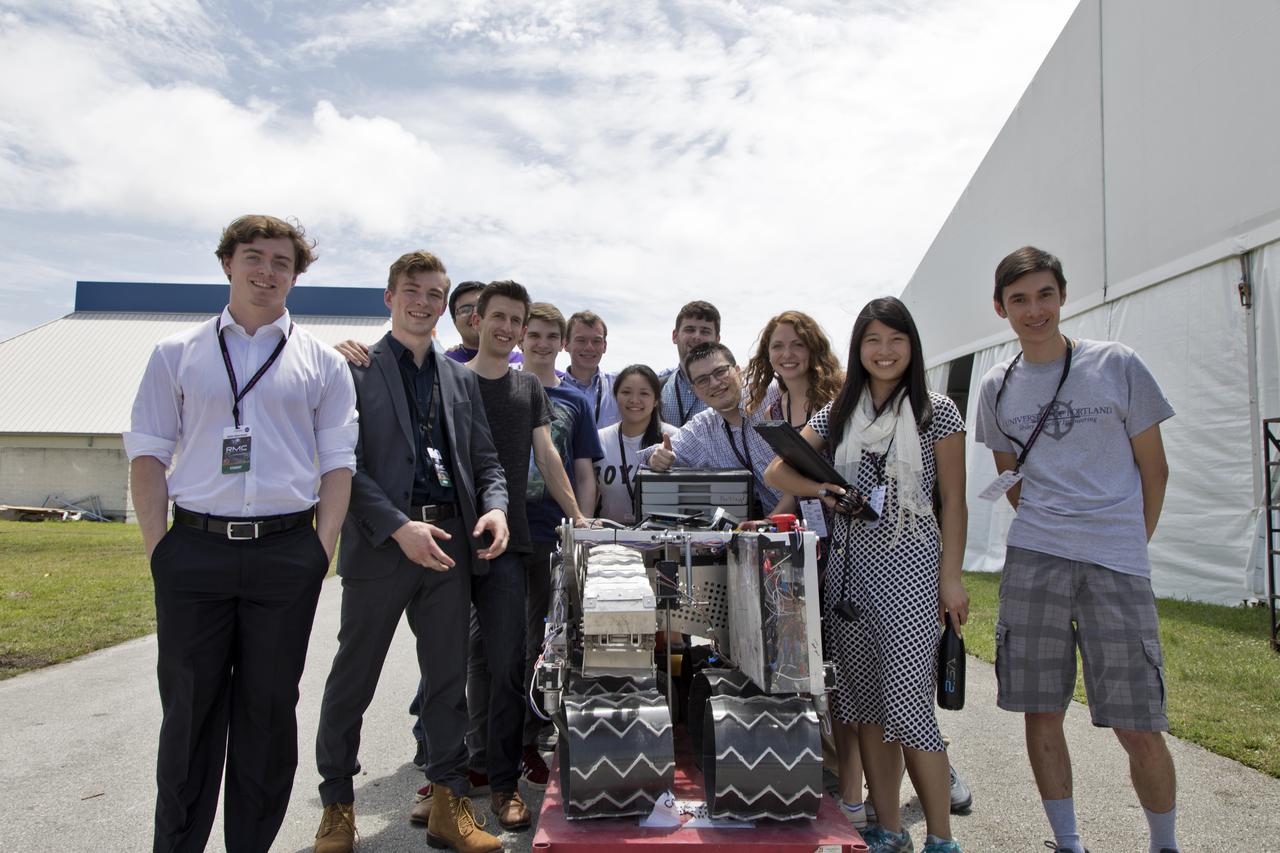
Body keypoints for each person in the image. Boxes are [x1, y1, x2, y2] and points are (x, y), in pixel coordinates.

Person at [125, 214, 358, 853]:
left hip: (286, 553)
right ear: (227, 263)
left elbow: (339, 463)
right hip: (193, 551)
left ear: (296, 276)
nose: (267, 271)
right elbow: (147, 452)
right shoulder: (177, 354)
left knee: (267, 714)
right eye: (253, 257)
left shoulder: (320, 364)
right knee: (189, 715)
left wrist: (320, 548)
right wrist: (160, 549)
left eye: (282, 262)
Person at [973, 247, 1178, 853]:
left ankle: (1164, 843)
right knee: (1041, 712)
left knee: (1139, 722)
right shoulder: (996, 384)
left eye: (1043, 295)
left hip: (1116, 560)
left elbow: (1155, 469)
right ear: (1000, 308)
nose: (1033, 310)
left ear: (1062, 296)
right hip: (1035, 556)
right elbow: (1009, 475)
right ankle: (1068, 842)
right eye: (1019, 300)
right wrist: (1052, 525)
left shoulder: (1117, 364)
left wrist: (1126, 541)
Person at [313, 252, 513, 853]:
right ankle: (337, 806)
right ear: (389, 296)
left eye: (436, 293)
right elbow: (344, 464)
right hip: (383, 546)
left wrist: (496, 505)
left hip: (449, 543)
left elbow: (485, 460)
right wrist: (399, 527)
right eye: (413, 291)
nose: (424, 302)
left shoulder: (459, 377)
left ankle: (449, 805)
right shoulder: (352, 368)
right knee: (354, 678)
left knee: (447, 681)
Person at [764, 296, 969, 853]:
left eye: (896, 339)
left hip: (911, 572)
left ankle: (943, 839)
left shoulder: (938, 411)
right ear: (858, 348)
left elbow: (954, 501)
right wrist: (824, 490)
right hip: (849, 579)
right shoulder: (839, 412)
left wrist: (952, 579)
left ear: (912, 345)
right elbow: (778, 465)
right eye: (873, 340)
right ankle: (889, 829)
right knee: (865, 709)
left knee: (908, 708)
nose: (885, 351)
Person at [515, 302, 602, 781]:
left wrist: (581, 522)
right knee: (487, 642)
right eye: (536, 336)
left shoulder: (574, 400)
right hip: (501, 530)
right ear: (522, 337)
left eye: (553, 337)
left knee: (541, 640)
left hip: (552, 529)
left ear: (562, 343)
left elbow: (582, 470)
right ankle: (482, 744)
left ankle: (529, 739)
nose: (544, 344)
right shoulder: (494, 383)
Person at [640, 341, 791, 518]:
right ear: (695, 390)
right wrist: (655, 457)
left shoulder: (773, 395)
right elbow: (657, 453)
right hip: (781, 526)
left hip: (821, 506)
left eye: (720, 372)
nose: (714, 383)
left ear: (738, 370)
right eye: (702, 380)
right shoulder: (703, 428)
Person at [595, 365, 678, 524]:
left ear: (655, 401)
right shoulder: (599, 439)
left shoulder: (673, 438)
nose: (634, 400)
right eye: (626, 392)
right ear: (616, 396)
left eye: (644, 393)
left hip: (661, 542)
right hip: (610, 541)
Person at [743, 310, 844, 429]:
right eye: (777, 346)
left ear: (814, 349)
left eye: (798, 345)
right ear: (767, 354)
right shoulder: (773, 414)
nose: (787, 354)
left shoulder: (839, 394)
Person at [659, 300, 721, 427]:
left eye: (705, 331)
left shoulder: (729, 388)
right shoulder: (656, 388)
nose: (697, 337)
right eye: (690, 329)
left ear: (717, 340)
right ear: (675, 336)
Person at [561, 310, 619, 428]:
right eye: (581, 340)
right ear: (566, 344)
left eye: (596, 341)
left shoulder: (619, 386)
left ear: (605, 346)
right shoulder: (551, 391)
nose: (589, 347)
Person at [444, 280, 522, 365]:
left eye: (481, 307)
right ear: (454, 322)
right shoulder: (443, 365)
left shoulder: (521, 361)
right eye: (465, 310)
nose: (475, 313)